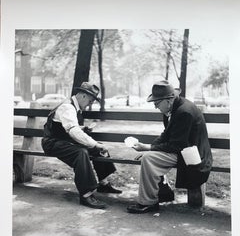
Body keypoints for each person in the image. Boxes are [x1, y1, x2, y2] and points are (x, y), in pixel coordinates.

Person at [127, 80, 212, 214]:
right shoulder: (173, 108)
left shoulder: (184, 112)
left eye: (157, 103)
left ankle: (148, 202)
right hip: (183, 150)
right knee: (149, 157)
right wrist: (149, 147)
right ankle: (162, 193)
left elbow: (176, 145)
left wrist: (148, 148)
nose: (155, 107)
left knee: (149, 158)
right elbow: (166, 135)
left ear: (169, 100)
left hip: (193, 155)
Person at [41, 82, 121, 210]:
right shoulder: (68, 107)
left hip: (62, 140)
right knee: (81, 153)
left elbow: (67, 126)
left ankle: (103, 184)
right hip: (52, 143)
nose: (90, 105)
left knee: (97, 148)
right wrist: (94, 143)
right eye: (90, 101)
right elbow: (73, 131)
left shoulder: (72, 106)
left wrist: (85, 131)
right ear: (83, 96)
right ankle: (86, 194)